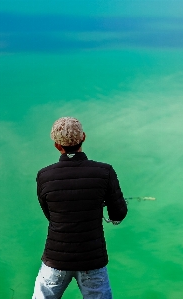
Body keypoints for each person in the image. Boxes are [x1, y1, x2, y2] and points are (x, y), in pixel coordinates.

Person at [32, 117, 128, 299]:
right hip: (92, 260)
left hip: (55, 259)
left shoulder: (44, 175)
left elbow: (50, 215)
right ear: (83, 137)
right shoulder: (104, 172)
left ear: (56, 145)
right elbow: (118, 213)